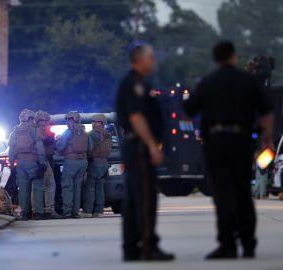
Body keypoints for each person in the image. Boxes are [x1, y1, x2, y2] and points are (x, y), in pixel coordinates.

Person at [183, 41, 274, 259]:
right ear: (234, 56)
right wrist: (267, 141)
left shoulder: (207, 82)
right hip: (242, 141)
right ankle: (248, 244)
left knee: (222, 194)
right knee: (243, 192)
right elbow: (267, 113)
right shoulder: (248, 81)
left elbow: (188, 112)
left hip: (215, 142)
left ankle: (227, 245)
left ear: (216, 58)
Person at [115, 43, 174, 262]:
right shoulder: (133, 84)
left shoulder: (139, 83)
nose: (154, 61)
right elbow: (136, 117)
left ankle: (131, 247)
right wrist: (151, 145)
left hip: (137, 146)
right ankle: (148, 245)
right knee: (146, 197)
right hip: (140, 147)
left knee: (133, 199)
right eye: (151, 57)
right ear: (139, 60)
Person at [8, 109, 46, 220]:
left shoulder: (15, 131)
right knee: (38, 187)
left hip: (20, 163)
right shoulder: (34, 130)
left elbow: (11, 149)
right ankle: (39, 213)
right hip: (33, 162)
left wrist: (11, 164)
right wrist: (42, 162)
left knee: (23, 189)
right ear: (30, 118)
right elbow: (40, 147)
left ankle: (25, 213)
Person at [56, 111, 90, 219]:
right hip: (83, 162)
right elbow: (91, 148)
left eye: (67, 120)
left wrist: (58, 141)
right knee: (77, 187)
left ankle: (67, 211)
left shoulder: (67, 132)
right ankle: (75, 212)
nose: (66, 122)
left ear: (69, 120)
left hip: (70, 162)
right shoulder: (85, 133)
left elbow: (60, 147)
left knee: (67, 187)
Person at [82, 114, 112, 218]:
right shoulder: (108, 134)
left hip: (94, 163)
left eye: (94, 121)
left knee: (90, 188)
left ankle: (88, 211)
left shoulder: (90, 134)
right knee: (100, 189)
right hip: (104, 164)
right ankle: (99, 211)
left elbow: (88, 149)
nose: (93, 123)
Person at [33, 110, 62, 219]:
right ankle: (49, 210)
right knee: (50, 184)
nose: (46, 124)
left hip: (32, 160)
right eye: (45, 121)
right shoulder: (42, 130)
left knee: (36, 186)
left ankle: (35, 210)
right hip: (42, 160)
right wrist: (54, 138)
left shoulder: (31, 130)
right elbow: (47, 145)